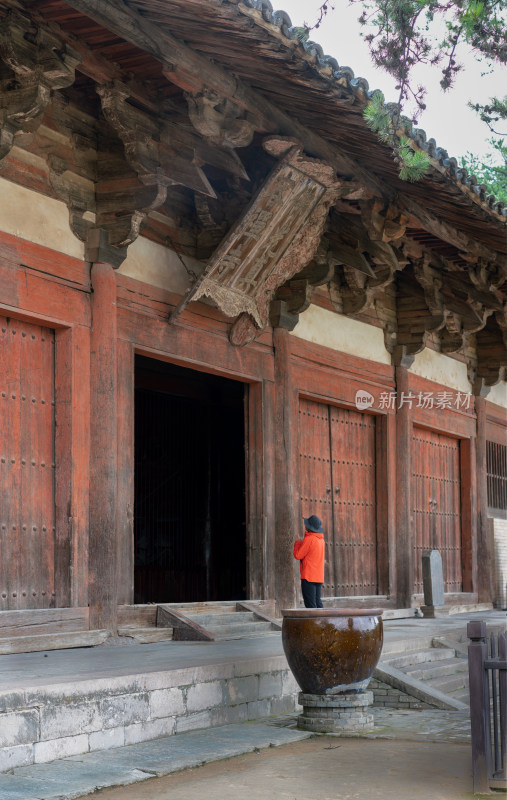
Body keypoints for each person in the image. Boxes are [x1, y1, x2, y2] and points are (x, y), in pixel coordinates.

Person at [293, 515, 325, 608]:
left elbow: (298, 555)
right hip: (318, 577)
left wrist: (297, 542)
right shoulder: (321, 540)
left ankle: (314, 623)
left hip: (309, 576)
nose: (305, 526)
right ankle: (323, 622)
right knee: (318, 603)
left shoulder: (309, 539)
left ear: (309, 527)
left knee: (310, 606)